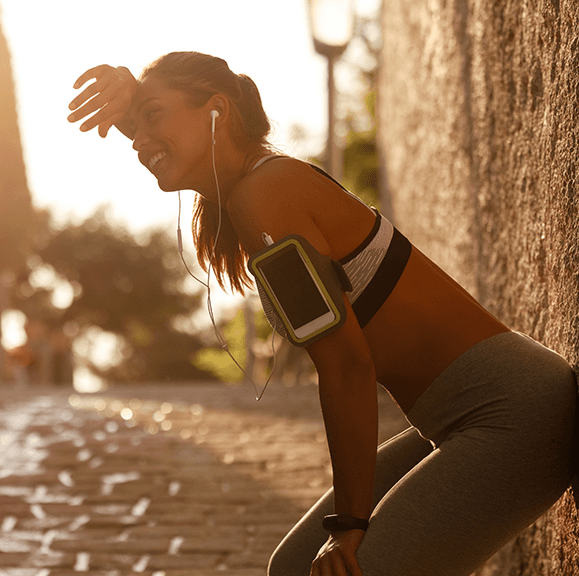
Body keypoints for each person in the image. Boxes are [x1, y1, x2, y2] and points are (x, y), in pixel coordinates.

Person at [67, 51, 577, 576]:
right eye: (135, 128)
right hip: (456, 417)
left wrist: (349, 526)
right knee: (292, 567)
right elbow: (165, 137)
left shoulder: (265, 196)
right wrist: (132, 102)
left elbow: (347, 367)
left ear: (217, 109)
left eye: (153, 116)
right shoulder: (257, 187)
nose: (138, 141)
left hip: (514, 411)